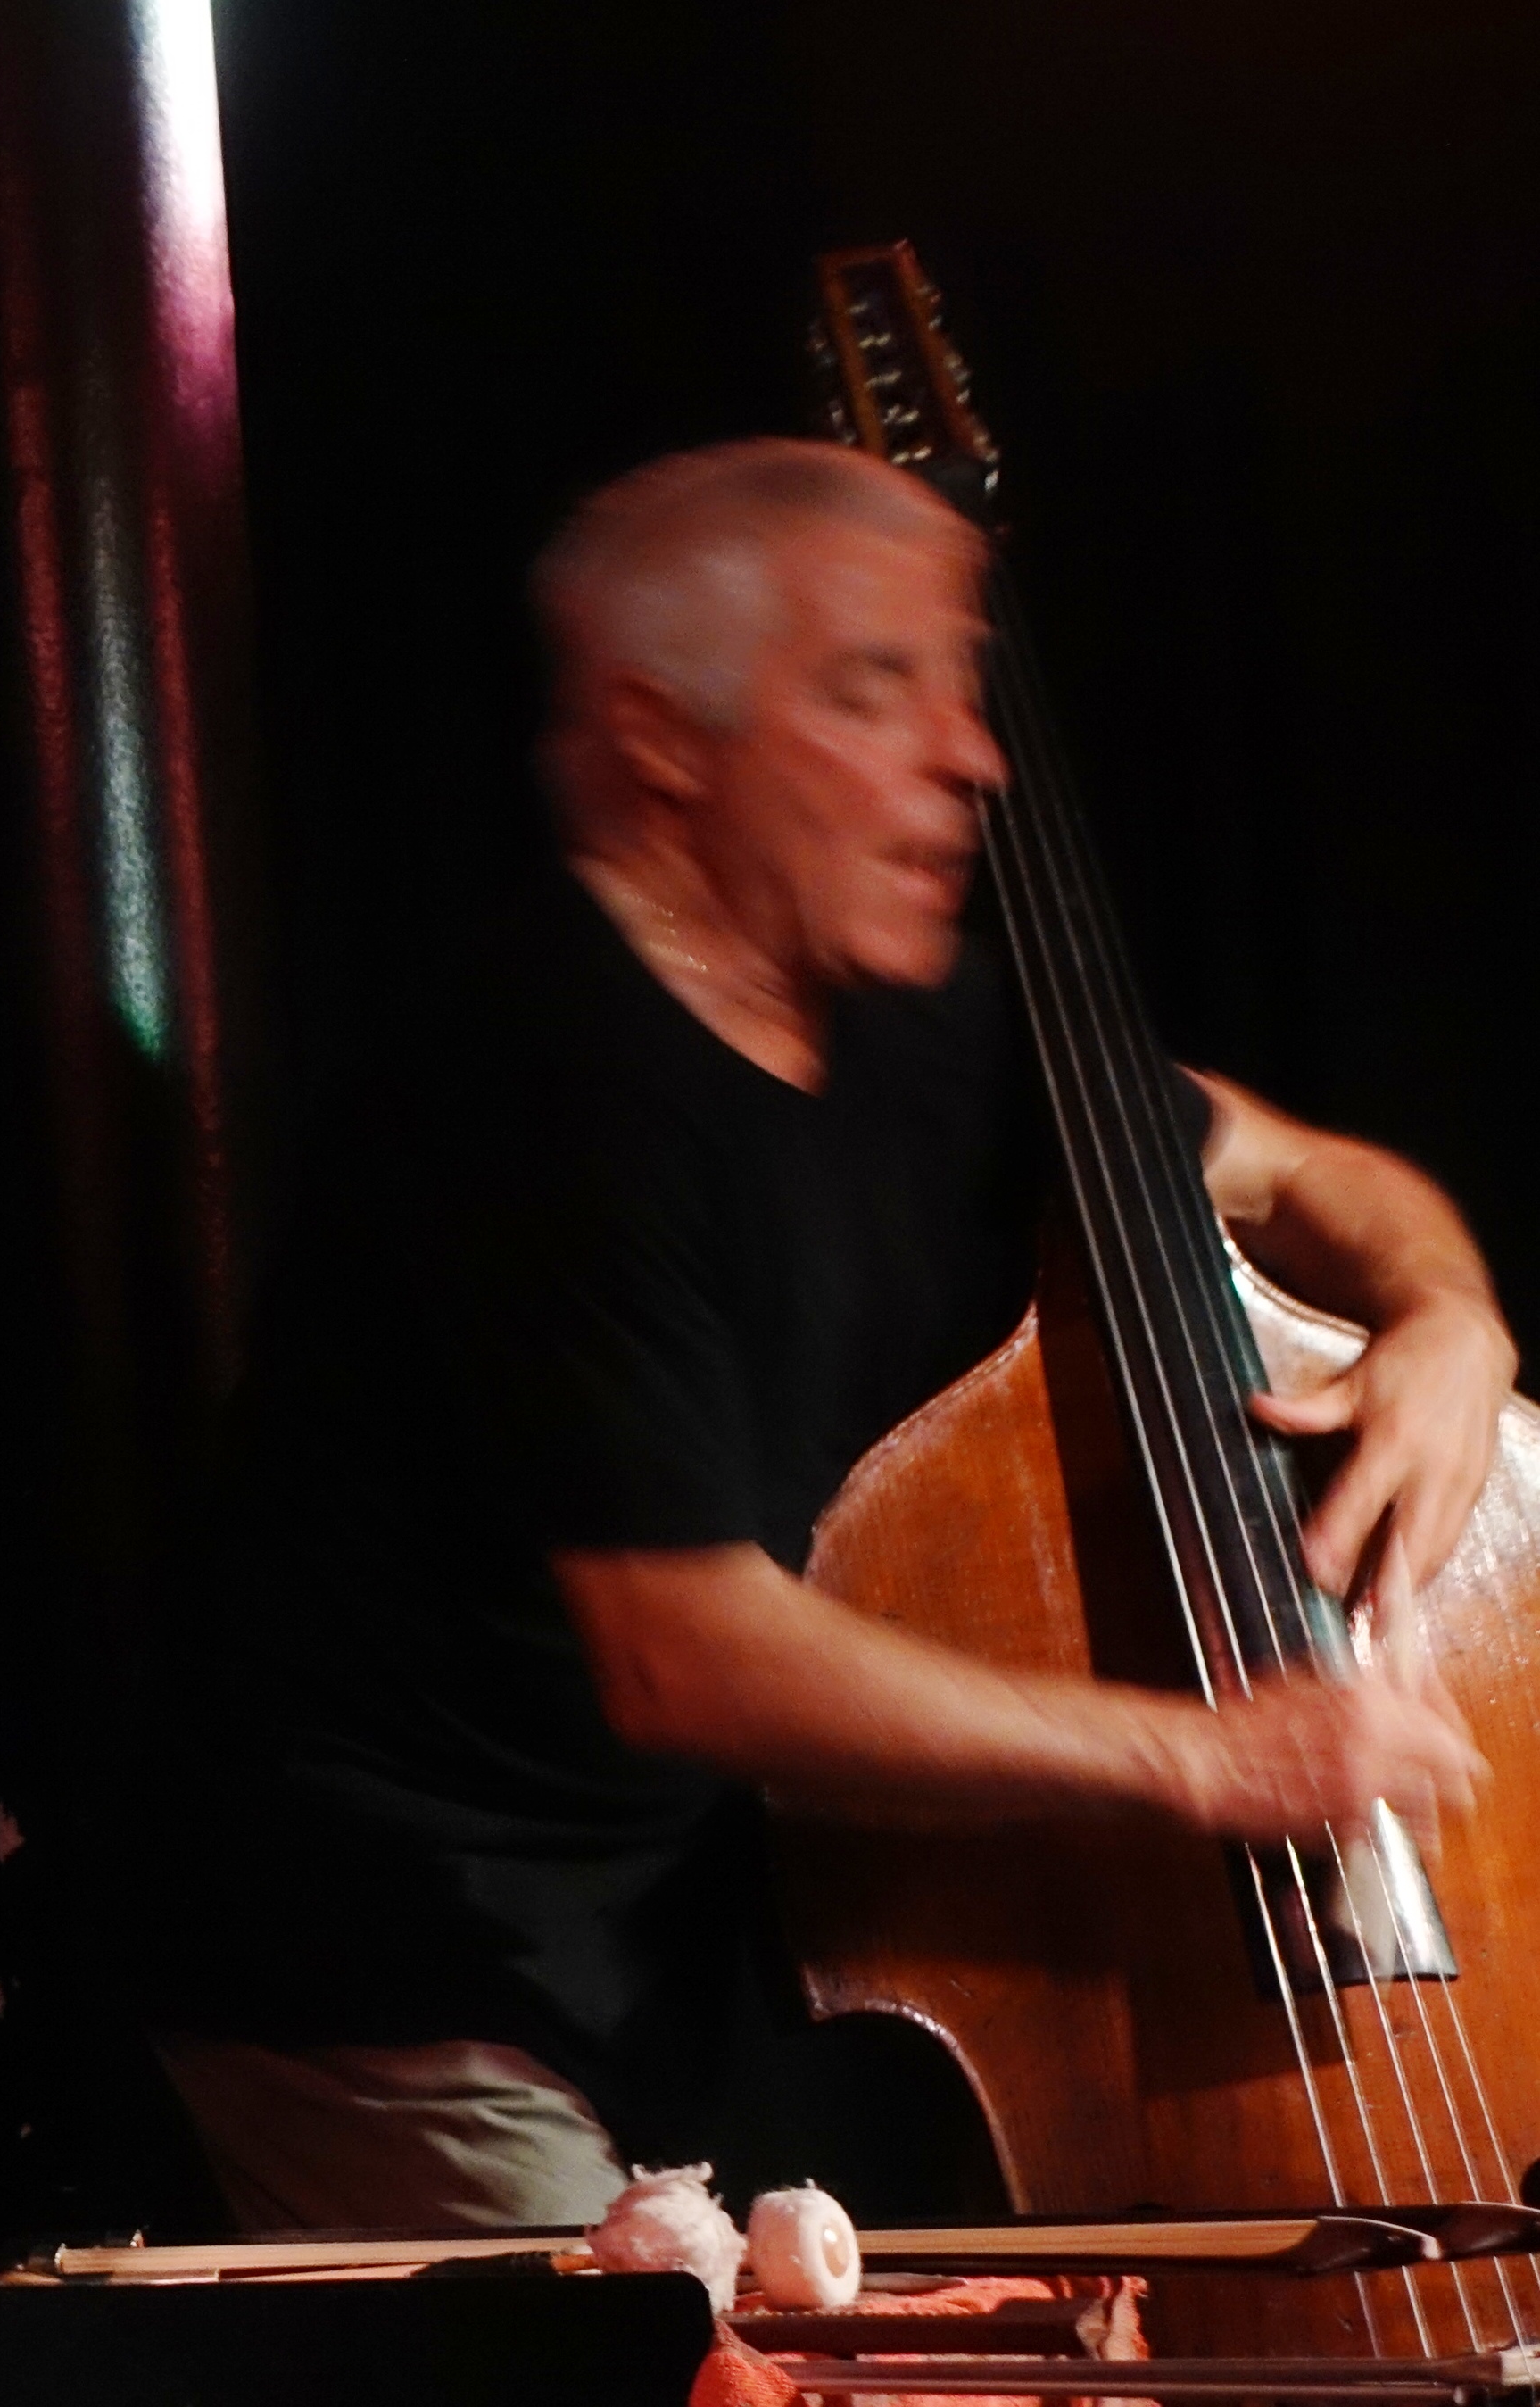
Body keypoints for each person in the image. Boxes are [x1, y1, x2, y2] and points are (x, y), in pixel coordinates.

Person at [136, 436, 1511, 2233]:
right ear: (655, 738)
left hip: (682, 1933)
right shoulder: (535, 1082)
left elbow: (1298, 1166)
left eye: (959, 681)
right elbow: (689, 1651)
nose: (969, 752)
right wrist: (1218, 1755)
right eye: (876, 688)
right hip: (395, 1966)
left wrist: (1446, 1315)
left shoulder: (910, 1022)